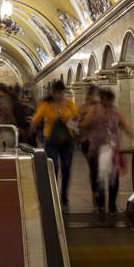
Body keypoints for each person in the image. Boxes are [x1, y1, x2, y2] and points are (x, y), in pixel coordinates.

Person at [80, 88, 134, 216]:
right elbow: (84, 124)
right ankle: (100, 203)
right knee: (100, 177)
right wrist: (94, 119)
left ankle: (112, 205)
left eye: (108, 99)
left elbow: (124, 126)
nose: (106, 102)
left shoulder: (116, 112)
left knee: (113, 177)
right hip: (98, 149)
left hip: (113, 149)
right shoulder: (95, 110)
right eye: (103, 99)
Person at [32, 80, 78, 209]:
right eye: (56, 93)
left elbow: (75, 116)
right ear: (51, 93)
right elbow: (36, 119)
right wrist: (31, 132)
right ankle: (53, 193)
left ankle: (64, 195)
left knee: (67, 167)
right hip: (51, 140)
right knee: (54, 166)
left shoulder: (69, 104)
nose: (59, 95)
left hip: (68, 139)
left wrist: (69, 118)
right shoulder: (45, 105)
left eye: (61, 92)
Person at [77, 86, 100, 210]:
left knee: (100, 168)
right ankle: (95, 193)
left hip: (101, 142)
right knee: (93, 167)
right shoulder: (83, 108)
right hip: (87, 142)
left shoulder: (102, 107)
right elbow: (76, 122)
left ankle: (98, 191)